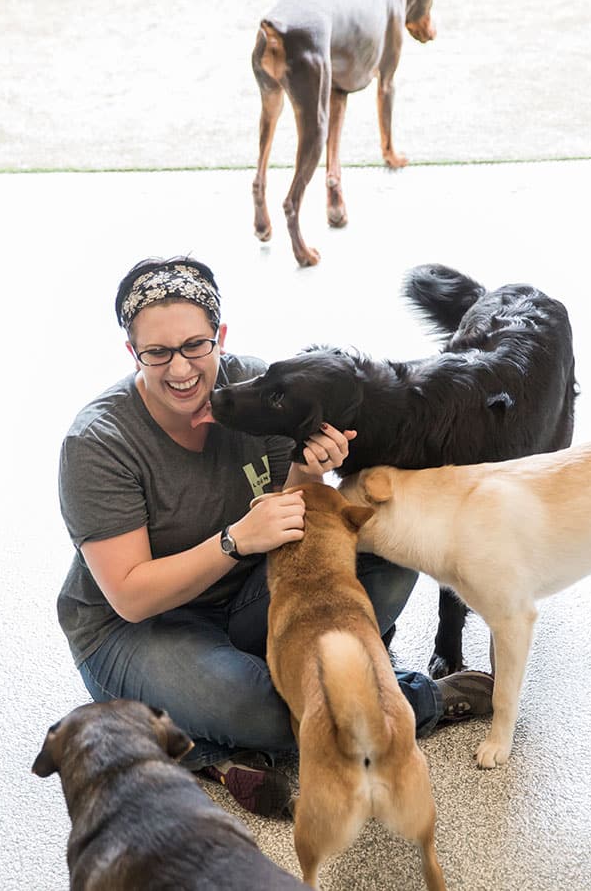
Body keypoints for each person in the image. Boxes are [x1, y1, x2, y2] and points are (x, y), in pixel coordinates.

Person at [55, 256, 494, 818]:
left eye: (195, 345)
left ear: (220, 336)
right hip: (136, 629)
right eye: (157, 352)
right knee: (264, 705)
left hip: (252, 592)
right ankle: (409, 699)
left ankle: (213, 738)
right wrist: (235, 540)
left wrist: (309, 471)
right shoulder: (98, 443)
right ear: (131, 352)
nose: (180, 368)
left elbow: (298, 521)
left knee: (391, 551)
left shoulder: (259, 387)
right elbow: (131, 596)